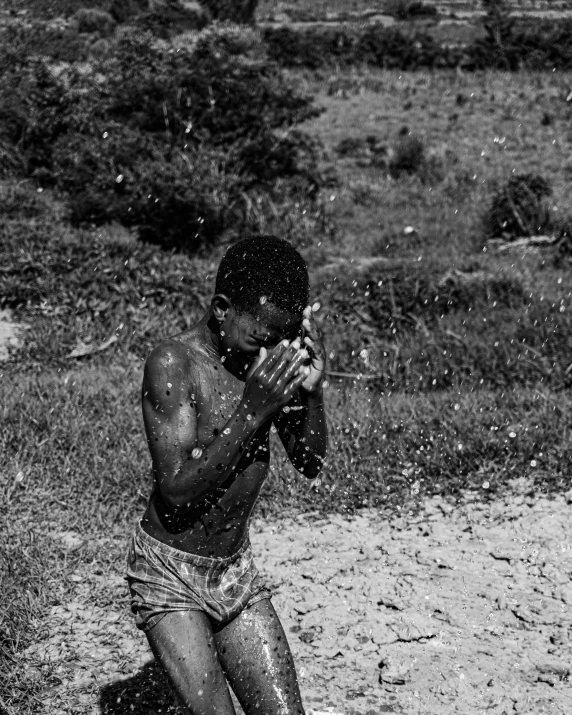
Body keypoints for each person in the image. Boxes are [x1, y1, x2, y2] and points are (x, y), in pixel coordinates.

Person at [126, 235, 328, 715]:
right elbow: (176, 489)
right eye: (262, 337)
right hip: (171, 572)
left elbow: (310, 462)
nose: (274, 350)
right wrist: (254, 408)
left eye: (283, 338)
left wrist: (314, 394)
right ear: (221, 309)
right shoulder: (174, 364)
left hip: (233, 572)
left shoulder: (258, 363)